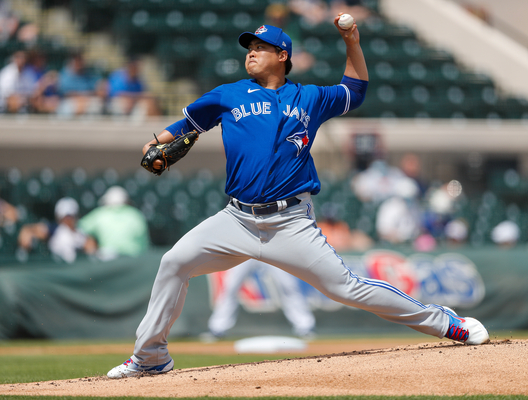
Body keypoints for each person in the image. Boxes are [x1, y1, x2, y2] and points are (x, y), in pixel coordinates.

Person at [107, 16, 489, 379]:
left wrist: (351, 42)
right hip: (236, 219)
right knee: (174, 262)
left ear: (282, 56)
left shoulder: (309, 98)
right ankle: (151, 357)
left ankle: (448, 323)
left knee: (348, 287)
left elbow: (355, 90)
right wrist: (156, 141)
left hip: (290, 223)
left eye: (261, 46)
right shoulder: (228, 95)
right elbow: (184, 126)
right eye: (249, 47)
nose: (251, 52)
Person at [201, 259, 316, 342]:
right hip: (245, 246)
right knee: (230, 287)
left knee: (289, 286)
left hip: (271, 243)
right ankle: (217, 329)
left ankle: (305, 327)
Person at [78, 186, 150, 261]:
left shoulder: (100, 214)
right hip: (135, 261)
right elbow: (144, 245)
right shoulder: (136, 215)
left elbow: (79, 228)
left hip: (109, 261)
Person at [17, 197, 97, 263]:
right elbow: (28, 230)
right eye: (67, 217)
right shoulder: (55, 228)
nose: (69, 220)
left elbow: (90, 246)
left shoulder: (80, 232)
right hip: (58, 266)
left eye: (72, 216)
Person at [56, 52, 105, 116]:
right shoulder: (65, 75)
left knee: (97, 105)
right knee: (67, 108)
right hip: (69, 101)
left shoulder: (88, 74)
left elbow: (97, 87)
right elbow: (65, 93)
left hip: (87, 100)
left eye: (80, 60)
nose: (79, 63)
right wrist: (81, 97)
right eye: (77, 61)